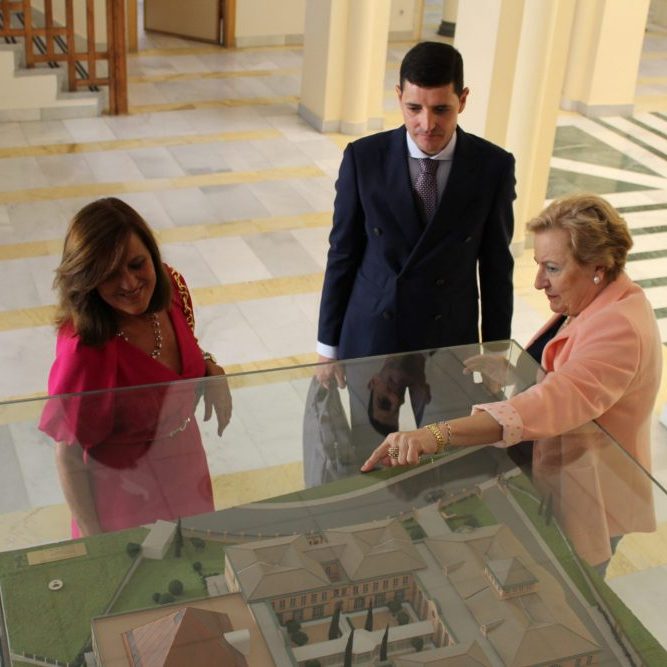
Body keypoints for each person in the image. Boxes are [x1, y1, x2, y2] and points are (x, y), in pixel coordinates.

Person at [361, 194, 662, 570]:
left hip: (583, 499)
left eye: (552, 268)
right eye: (538, 265)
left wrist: (433, 435)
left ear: (598, 267)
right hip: (554, 479)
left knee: (564, 594)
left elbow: (555, 400)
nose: (538, 282)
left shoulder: (619, 328)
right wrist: (518, 372)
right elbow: (574, 374)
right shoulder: (597, 297)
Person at [317, 41, 516, 383]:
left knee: (449, 420)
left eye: (441, 109)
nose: (427, 124)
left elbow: (496, 265)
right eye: (414, 108)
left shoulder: (492, 166)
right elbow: (342, 254)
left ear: (463, 100)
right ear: (399, 97)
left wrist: (496, 352)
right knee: (370, 422)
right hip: (373, 334)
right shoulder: (363, 159)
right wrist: (327, 347)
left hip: (450, 339)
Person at [39, 197, 232, 537]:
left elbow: (183, 352)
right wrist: (97, 542)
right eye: (110, 274)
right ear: (88, 279)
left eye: (137, 264)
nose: (129, 283)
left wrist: (209, 367)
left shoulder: (171, 288)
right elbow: (68, 456)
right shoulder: (85, 349)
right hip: (125, 500)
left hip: (187, 471)